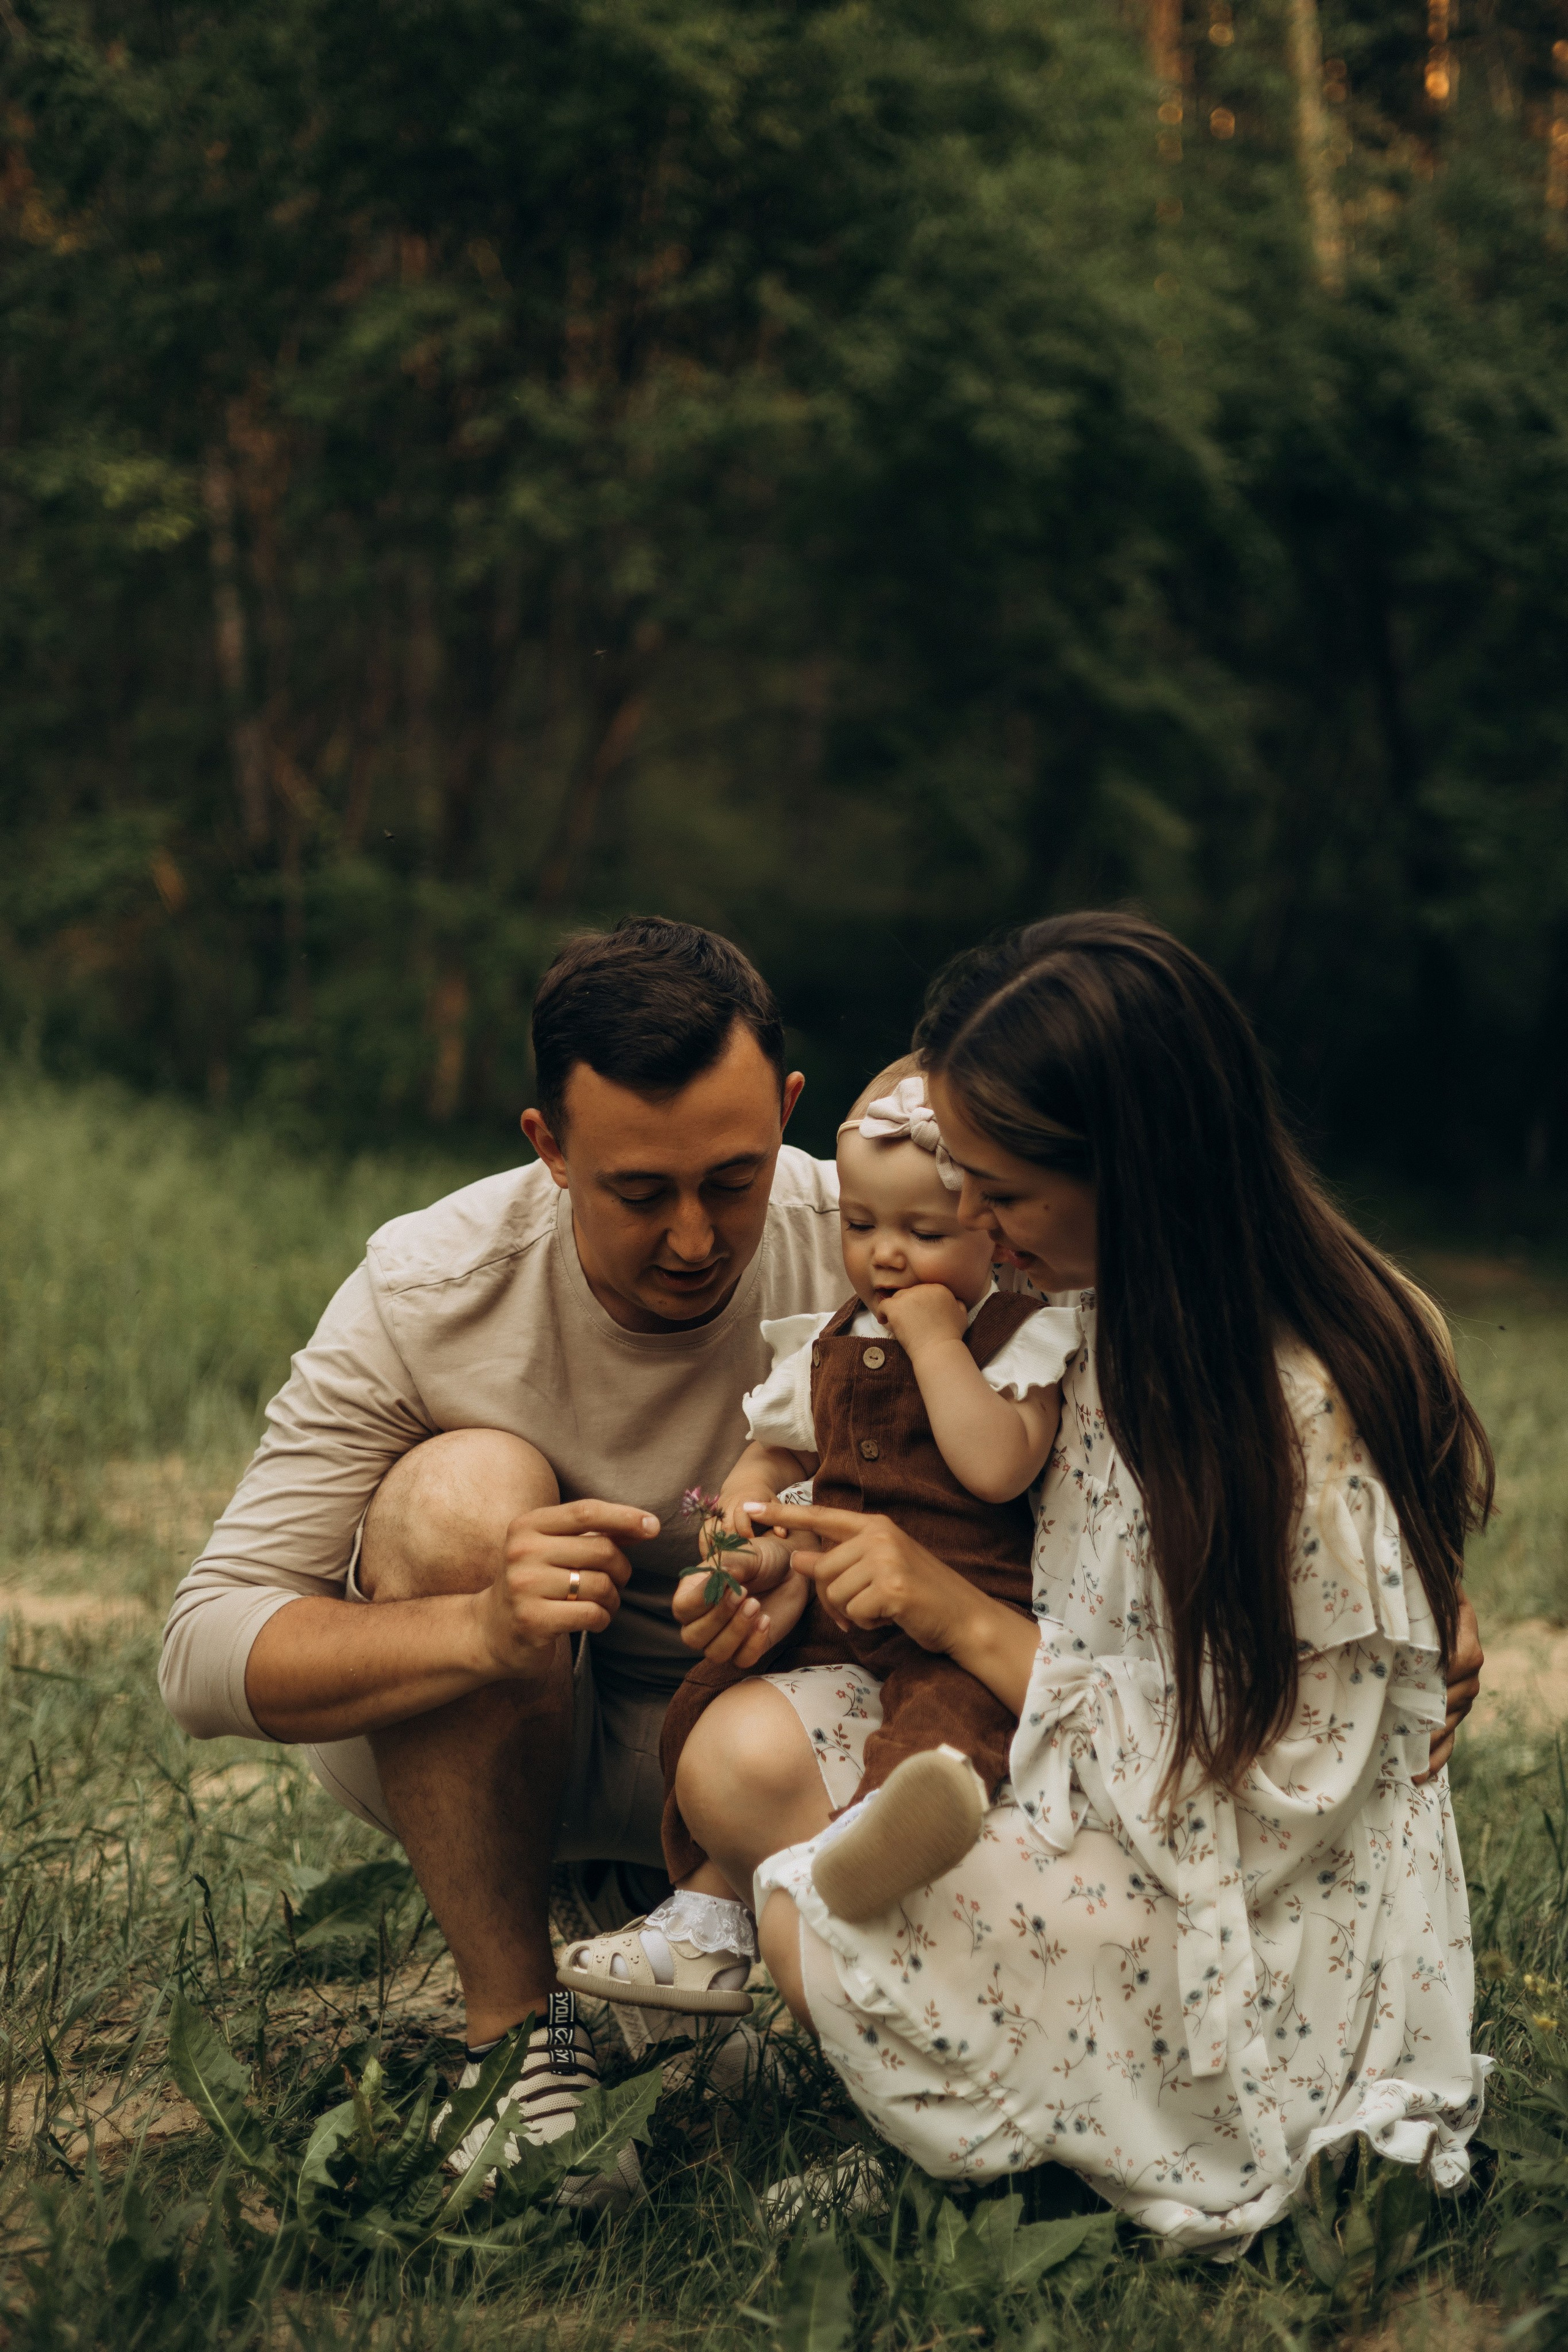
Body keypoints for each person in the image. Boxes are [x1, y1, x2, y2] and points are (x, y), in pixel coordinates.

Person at [665, 911, 1493, 2248]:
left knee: (821, 1925)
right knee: (754, 1778)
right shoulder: (1085, 1310)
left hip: (1251, 1906)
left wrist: (951, 1614)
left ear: (1131, 1166)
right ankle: (990, 2113)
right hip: (1086, 1773)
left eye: (998, 1194)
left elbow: (1270, 1789)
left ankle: (1041, 2169)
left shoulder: (1289, 1401)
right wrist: (800, 1546)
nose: (975, 1228)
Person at [157, 916, 845, 2201]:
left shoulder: (884, 1234)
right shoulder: (430, 1287)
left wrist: (833, 1554)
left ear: (790, 1111)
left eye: (732, 1181)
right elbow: (200, 1656)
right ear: (549, 1148)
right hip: (521, 1739)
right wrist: (478, 1627)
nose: (695, 1239)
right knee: (460, 1495)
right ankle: (520, 2051)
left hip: (781, 1743)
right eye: (639, 1193)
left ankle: (839, 2029)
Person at [558, 1061, 1077, 2019]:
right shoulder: (835, 1335)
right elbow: (773, 1448)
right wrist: (744, 1511)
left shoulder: (1019, 1338)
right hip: (838, 1603)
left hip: (960, 1620)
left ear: (995, 1233)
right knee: (711, 1691)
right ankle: (708, 1918)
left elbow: (997, 1466)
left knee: (941, 1728)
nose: (887, 1258)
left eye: (925, 1233)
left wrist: (936, 1344)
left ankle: (872, 1848)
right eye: (862, 1226)